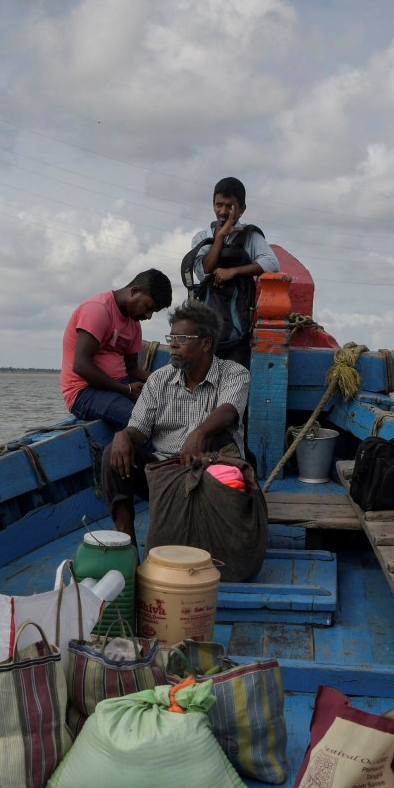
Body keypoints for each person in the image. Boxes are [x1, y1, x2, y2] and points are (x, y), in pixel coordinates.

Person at [100, 301, 249, 539]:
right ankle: (126, 543)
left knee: (217, 437)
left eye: (182, 338)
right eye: (172, 338)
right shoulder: (159, 379)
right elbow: (139, 428)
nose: (174, 345)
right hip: (165, 474)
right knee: (113, 453)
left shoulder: (234, 373)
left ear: (206, 344)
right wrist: (124, 435)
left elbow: (228, 411)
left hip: (210, 473)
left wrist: (198, 433)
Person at [180, 178, 278, 366]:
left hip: (238, 331)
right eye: (219, 205)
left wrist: (233, 271)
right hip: (205, 328)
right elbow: (203, 271)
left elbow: (272, 263)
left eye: (229, 206)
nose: (223, 211)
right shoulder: (202, 238)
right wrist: (221, 237)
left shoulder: (250, 236)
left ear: (241, 209)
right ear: (213, 205)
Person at [60, 270, 173, 427]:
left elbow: (132, 369)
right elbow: (81, 365)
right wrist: (126, 390)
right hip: (84, 391)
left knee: (173, 406)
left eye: (153, 312)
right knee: (142, 422)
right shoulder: (98, 310)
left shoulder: (134, 324)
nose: (149, 316)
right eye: (148, 307)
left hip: (121, 384)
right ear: (134, 291)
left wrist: (164, 380)